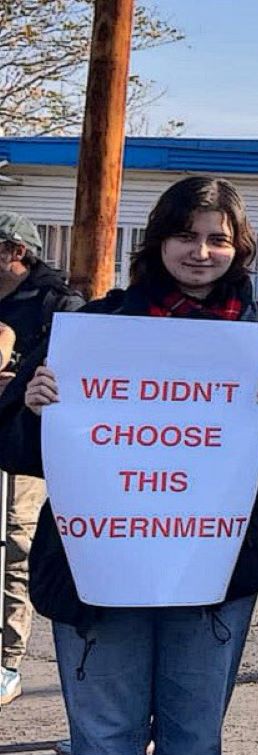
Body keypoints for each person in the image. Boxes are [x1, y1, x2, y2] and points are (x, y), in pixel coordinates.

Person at [0, 177, 258, 755]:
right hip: (98, 569)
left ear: (240, 247)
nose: (201, 253)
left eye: (218, 239)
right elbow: (16, 449)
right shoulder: (90, 329)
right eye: (186, 235)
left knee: (191, 747)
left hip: (212, 577)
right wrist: (32, 405)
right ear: (157, 240)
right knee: (104, 749)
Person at [0, 211, 85, 708]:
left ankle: (7, 660)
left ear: (16, 253)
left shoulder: (61, 304)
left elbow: (78, 374)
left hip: (20, 443)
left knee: (13, 541)